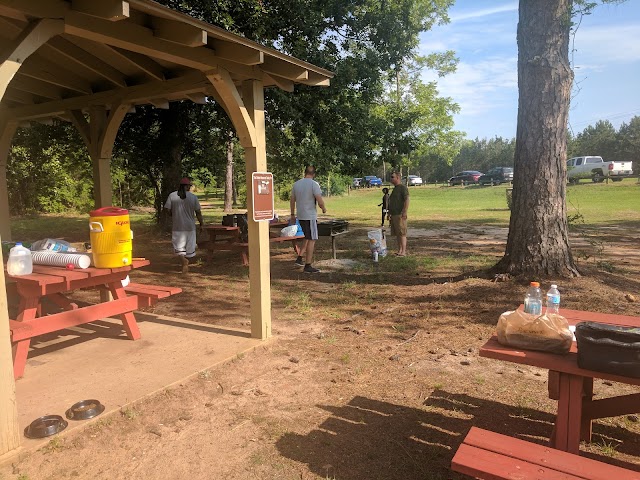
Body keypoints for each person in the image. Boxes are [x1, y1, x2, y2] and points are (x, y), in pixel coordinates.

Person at [290, 165, 326, 273]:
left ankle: (300, 258)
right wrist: (323, 208)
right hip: (310, 216)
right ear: (314, 174)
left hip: (301, 215)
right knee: (312, 239)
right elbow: (319, 199)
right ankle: (308, 265)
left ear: (305, 173)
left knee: (307, 236)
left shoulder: (296, 184)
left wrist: (292, 214)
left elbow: (292, 200)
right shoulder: (314, 184)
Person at [164, 177, 204, 273]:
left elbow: (167, 210)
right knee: (189, 248)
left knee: (179, 248)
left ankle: (183, 261)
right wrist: (202, 224)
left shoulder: (172, 196)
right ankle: (185, 262)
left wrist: (173, 214)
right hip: (190, 226)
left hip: (178, 226)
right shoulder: (193, 197)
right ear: (187, 186)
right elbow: (198, 212)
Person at [387, 171, 410, 256]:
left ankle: (403, 251)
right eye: (391, 177)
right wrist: (389, 213)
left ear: (398, 178)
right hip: (394, 214)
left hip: (400, 214)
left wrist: (404, 211)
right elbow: (392, 202)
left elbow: (407, 199)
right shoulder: (395, 189)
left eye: (393, 177)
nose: (391, 178)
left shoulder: (402, 188)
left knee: (402, 233)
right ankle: (399, 250)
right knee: (397, 233)